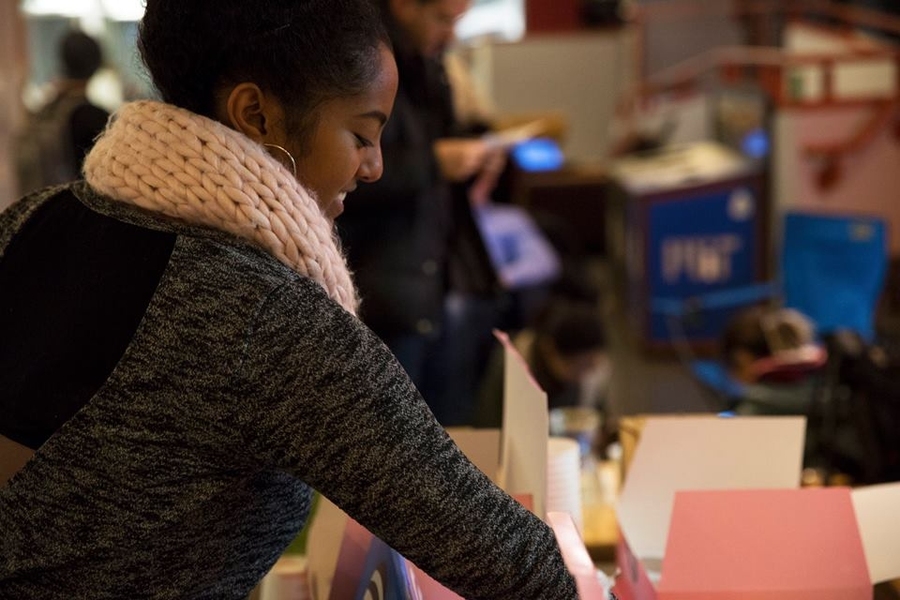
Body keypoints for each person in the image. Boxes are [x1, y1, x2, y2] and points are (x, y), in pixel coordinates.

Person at [0, 1, 578, 598]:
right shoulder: (262, 315)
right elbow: (505, 559)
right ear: (257, 115)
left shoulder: (31, 220)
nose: (374, 167)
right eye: (361, 134)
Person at [337, 0, 505, 425]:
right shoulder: (355, 58)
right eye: (443, 19)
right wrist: (435, 163)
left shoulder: (426, 65)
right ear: (406, 6)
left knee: (449, 440)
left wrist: (475, 150)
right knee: (393, 445)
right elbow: (346, 177)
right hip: (384, 294)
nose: (450, 34)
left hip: (433, 282)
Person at [473, 298, 611, 430]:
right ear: (550, 351)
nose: (586, 374)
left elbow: (599, 419)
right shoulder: (514, 365)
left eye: (593, 365)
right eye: (580, 366)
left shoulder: (593, 370)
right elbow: (490, 424)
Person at [14, 29, 110, 196]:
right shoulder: (94, 117)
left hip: (45, 208)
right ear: (96, 65)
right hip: (77, 212)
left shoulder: (46, 110)